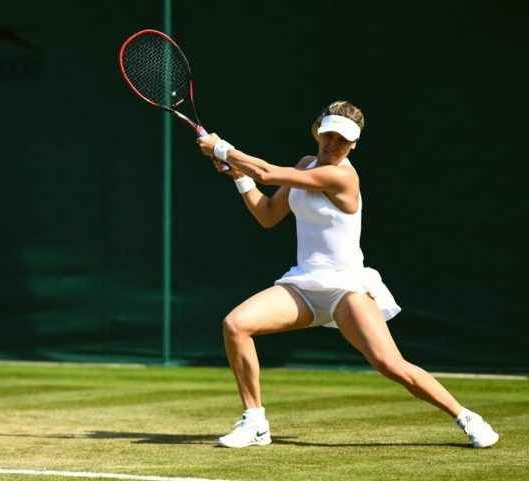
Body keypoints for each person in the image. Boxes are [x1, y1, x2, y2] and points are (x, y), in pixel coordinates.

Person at [197, 100, 499, 449]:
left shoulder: (341, 176)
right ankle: (255, 421)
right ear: (317, 132)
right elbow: (267, 215)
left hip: (347, 290)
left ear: (353, 145)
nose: (333, 145)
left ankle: (466, 417)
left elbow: (265, 173)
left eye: (343, 140)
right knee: (236, 325)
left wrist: (222, 148)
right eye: (328, 136)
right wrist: (239, 178)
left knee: (391, 364)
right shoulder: (305, 165)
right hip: (304, 285)